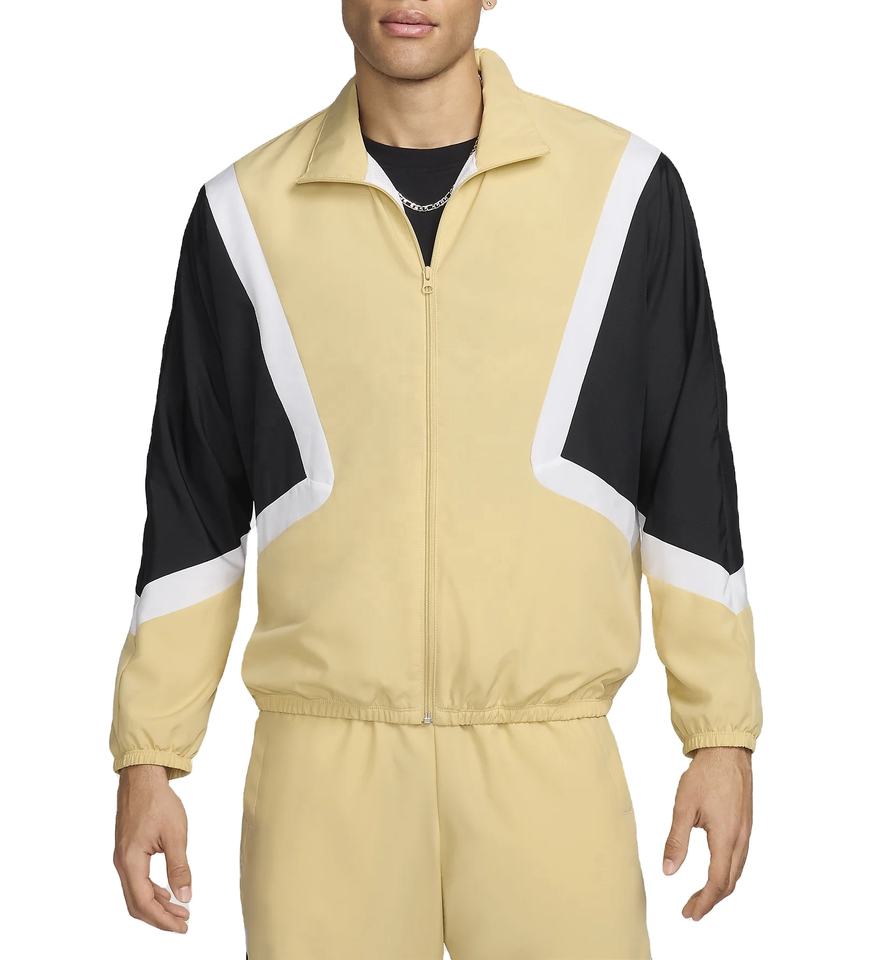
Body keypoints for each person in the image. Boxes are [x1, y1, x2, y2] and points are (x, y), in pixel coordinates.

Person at [110, 2, 763, 957]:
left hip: (549, 767)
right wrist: (150, 755)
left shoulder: (623, 194)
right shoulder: (245, 215)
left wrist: (720, 733)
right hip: (323, 781)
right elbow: (191, 506)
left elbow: (691, 479)